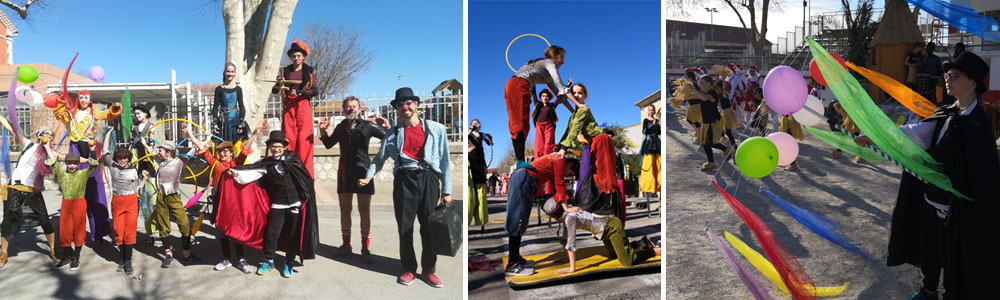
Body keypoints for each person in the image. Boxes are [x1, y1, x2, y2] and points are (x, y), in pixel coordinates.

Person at [856, 52, 1000, 300]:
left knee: (956, 257)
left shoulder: (978, 124)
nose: (947, 78)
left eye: (955, 75)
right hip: (932, 202)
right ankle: (928, 291)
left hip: (958, 211)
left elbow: (983, 175)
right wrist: (875, 135)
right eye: (947, 74)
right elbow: (915, 134)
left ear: (973, 83)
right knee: (931, 251)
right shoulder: (946, 113)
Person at [360, 87, 452, 287]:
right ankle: (409, 269)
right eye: (401, 104)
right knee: (405, 228)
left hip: (428, 179)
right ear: (397, 109)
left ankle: (429, 270)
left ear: (416, 105)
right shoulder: (392, 134)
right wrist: (368, 176)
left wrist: (447, 190)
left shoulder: (436, 129)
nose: (405, 107)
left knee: (429, 228)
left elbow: (445, 161)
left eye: (408, 103)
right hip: (404, 181)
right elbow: (379, 159)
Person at [229, 130, 318, 278]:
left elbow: (304, 179)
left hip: (295, 204)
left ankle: (288, 262)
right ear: (269, 147)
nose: (276, 149)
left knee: (293, 235)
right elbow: (251, 173)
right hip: (278, 204)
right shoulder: (267, 164)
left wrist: (304, 198)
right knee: (271, 234)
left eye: (279, 146)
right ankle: (268, 261)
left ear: (284, 147)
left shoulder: (293, 159)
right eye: (273, 146)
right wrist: (236, 173)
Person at [183, 121, 265, 273]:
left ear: (231, 153)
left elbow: (246, 148)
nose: (223, 154)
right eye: (220, 152)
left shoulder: (236, 162)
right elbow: (202, 148)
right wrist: (190, 135)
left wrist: (254, 133)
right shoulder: (215, 164)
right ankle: (226, 258)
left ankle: (241, 259)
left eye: (226, 151)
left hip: (234, 201)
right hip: (218, 199)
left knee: (236, 229)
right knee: (221, 230)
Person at [318, 96, 389, 262]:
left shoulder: (368, 125)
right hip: (344, 172)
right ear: (343, 110)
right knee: (345, 211)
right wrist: (322, 130)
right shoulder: (341, 126)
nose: (351, 109)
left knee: (364, 211)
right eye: (348, 106)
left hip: (364, 171)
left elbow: (388, 138)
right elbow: (328, 144)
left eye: (354, 106)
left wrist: (387, 127)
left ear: (359, 109)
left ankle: (365, 247)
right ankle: (346, 244)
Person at [53, 90, 120, 244]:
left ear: (90, 99)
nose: (83, 100)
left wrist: (115, 108)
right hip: (76, 148)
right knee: (74, 189)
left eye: (86, 97)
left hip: (90, 148)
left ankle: (99, 233)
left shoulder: (94, 112)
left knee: (95, 191)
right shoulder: (71, 113)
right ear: (78, 100)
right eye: (81, 97)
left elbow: (108, 115)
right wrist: (60, 102)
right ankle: (71, 235)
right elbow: (59, 115)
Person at [503, 152, 580, 276]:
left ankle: (516, 258)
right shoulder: (560, 160)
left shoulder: (556, 159)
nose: (567, 176)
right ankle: (512, 264)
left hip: (525, 179)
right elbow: (560, 184)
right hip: (524, 179)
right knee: (517, 220)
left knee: (521, 221)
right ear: (569, 164)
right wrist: (566, 208)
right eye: (570, 173)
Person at [505, 45, 583, 162]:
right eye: (561, 58)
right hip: (518, 85)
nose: (563, 62)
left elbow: (559, 95)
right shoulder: (548, 63)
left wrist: (573, 111)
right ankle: (520, 161)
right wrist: (578, 104)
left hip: (517, 86)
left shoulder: (547, 76)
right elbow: (561, 86)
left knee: (524, 125)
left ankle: (521, 161)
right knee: (518, 124)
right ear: (554, 56)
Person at [541, 199, 659, 274]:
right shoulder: (566, 215)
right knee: (614, 255)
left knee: (627, 261)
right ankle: (642, 243)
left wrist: (572, 269)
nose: (547, 216)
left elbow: (571, 243)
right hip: (604, 232)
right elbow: (565, 238)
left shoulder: (569, 217)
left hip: (612, 228)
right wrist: (566, 258)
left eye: (547, 214)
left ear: (553, 214)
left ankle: (655, 251)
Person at [0, 125, 57, 268]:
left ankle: (53, 250)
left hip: (33, 191)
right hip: (15, 188)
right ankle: (4, 253)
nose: (49, 136)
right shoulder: (28, 145)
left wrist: (47, 146)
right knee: (8, 221)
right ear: (39, 135)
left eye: (51, 135)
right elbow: (12, 129)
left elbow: (55, 161)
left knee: (44, 219)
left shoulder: (50, 153)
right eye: (46, 133)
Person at [141, 140, 200, 267]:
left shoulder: (178, 162)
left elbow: (191, 153)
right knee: (163, 225)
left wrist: (195, 139)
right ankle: (168, 255)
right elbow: (151, 152)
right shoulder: (160, 162)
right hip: (161, 196)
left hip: (174, 196)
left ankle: (186, 254)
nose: (159, 152)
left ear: (168, 152)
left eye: (161, 150)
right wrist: (144, 143)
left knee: (184, 224)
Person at [100, 130, 148, 275]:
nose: (122, 161)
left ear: (128, 159)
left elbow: (137, 189)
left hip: (131, 201)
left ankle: (128, 262)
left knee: (130, 232)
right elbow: (105, 150)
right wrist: (108, 133)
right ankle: (122, 259)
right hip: (117, 201)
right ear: (116, 159)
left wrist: (144, 180)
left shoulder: (133, 171)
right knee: (119, 231)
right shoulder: (113, 167)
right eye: (120, 158)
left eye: (125, 159)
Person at [46, 149, 99, 271]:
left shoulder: (83, 174)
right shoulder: (63, 174)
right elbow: (55, 164)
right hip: (66, 204)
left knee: (79, 230)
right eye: (69, 163)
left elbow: (94, 165)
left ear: (78, 164)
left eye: (74, 163)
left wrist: (92, 152)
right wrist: (46, 146)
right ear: (66, 164)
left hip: (79, 204)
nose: (72, 166)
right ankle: (67, 256)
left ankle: (76, 256)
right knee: (65, 230)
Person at [272, 40, 317, 176]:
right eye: (294, 56)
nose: (296, 58)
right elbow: (275, 91)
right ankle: (289, 171)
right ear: (291, 58)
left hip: (303, 105)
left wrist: (300, 92)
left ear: (303, 57)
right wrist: (278, 83)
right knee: (289, 138)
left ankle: (305, 173)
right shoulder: (285, 71)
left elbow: (315, 91)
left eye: (298, 56)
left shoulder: (308, 72)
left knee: (304, 139)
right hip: (289, 106)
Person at [692, 76, 731, 171]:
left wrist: (694, 90)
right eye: (700, 83)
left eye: (703, 83)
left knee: (710, 142)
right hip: (706, 122)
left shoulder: (712, 93)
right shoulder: (702, 93)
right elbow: (690, 97)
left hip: (714, 121)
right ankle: (711, 162)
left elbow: (705, 98)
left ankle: (725, 149)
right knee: (705, 143)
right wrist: (683, 91)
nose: (701, 85)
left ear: (709, 83)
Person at [468, 119, 493, 226]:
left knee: (481, 198)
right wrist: (470, 130)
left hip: (480, 165)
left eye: (477, 124)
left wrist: (489, 139)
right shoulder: (468, 134)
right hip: (470, 165)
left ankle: (481, 221)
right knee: (470, 197)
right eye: (473, 123)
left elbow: (488, 142)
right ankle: (467, 221)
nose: (475, 125)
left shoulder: (481, 135)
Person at [213, 62, 246, 142]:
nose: (230, 74)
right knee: (223, 145)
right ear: (224, 73)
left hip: (235, 122)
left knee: (236, 146)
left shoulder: (238, 89)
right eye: (228, 71)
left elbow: (241, 106)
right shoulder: (219, 89)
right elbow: (215, 107)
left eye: (232, 72)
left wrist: (241, 122)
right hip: (223, 121)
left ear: (235, 73)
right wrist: (215, 123)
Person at [638, 105, 661, 196]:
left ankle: (658, 185)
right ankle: (649, 186)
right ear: (648, 111)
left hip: (656, 141)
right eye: (650, 110)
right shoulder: (646, 120)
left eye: (652, 110)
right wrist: (653, 125)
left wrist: (658, 126)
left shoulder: (657, 121)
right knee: (649, 163)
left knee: (658, 163)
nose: (651, 112)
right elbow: (644, 131)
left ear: (654, 111)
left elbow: (658, 132)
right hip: (649, 142)